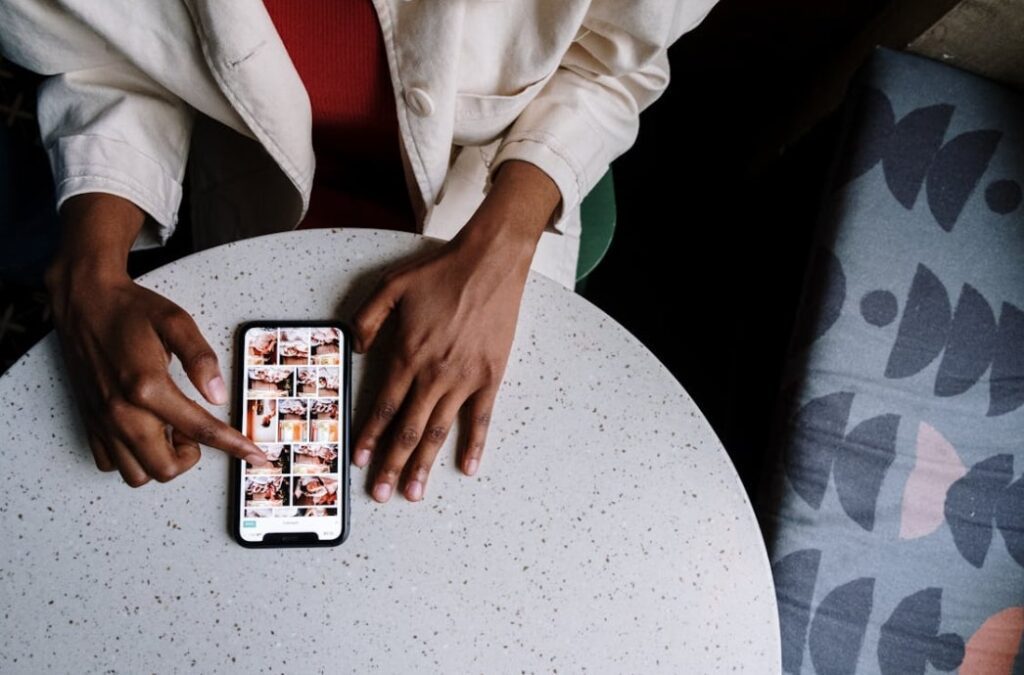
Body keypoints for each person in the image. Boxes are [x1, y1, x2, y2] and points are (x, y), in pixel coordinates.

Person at [0, 0, 717, 502]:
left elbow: (611, 64)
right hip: (253, 190)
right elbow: (118, 58)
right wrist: (90, 266)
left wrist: (499, 251)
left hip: (496, 196)